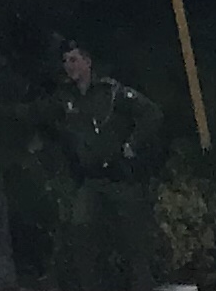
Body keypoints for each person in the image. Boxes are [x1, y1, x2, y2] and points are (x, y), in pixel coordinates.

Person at [50, 39, 164, 291]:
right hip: (90, 179)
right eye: (66, 61)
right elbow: (40, 114)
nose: (69, 66)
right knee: (81, 229)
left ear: (87, 62)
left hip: (119, 175)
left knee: (133, 237)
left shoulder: (111, 92)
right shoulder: (67, 100)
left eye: (74, 60)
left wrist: (133, 144)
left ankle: (142, 283)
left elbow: (151, 113)